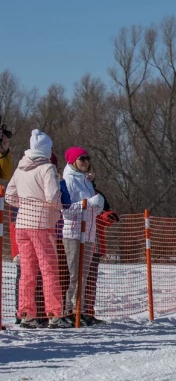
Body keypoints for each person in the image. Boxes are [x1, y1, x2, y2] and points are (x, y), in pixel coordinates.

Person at [5, 129, 71, 328]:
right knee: (49, 269)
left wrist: (25, 204)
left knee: (27, 271)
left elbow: (9, 196)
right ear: (46, 149)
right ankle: (54, 314)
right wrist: (57, 208)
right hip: (42, 225)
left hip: (22, 225)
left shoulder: (20, 168)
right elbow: (52, 197)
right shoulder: (47, 169)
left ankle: (26, 314)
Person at [61, 147, 105, 325]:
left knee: (84, 275)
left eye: (87, 159)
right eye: (82, 159)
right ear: (72, 161)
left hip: (88, 233)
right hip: (73, 233)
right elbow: (66, 210)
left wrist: (98, 205)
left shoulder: (86, 180)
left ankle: (81, 310)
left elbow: (90, 207)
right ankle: (68, 310)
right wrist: (87, 204)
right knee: (73, 274)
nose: (86, 162)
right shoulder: (69, 180)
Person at [83, 167, 119, 325]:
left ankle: (88, 312)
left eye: (91, 174)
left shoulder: (98, 194)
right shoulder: (74, 190)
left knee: (91, 280)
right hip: (79, 242)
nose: (90, 176)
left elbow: (105, 216)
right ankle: (75, 312)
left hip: (96, 243)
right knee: (77, 279)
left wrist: (108, 216)